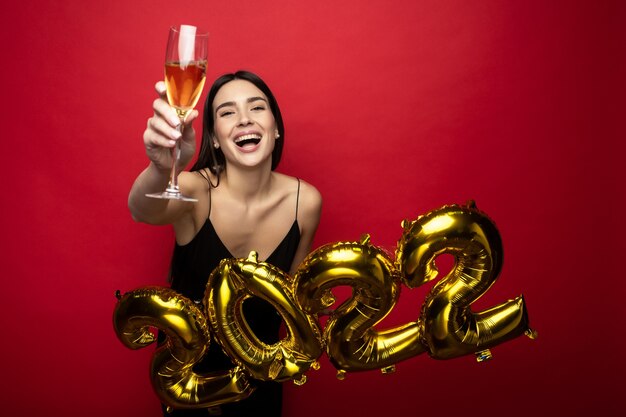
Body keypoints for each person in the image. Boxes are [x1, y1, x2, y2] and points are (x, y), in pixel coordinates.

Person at [128, 70, 322, 416]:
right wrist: (160, 167)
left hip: (261, 381)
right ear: (215, 138)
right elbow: (141, 209)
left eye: (257, 108)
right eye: (227, 112)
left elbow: (295, 306)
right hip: (188, 386)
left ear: (276, 128)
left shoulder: (304, 202)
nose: (244, 119)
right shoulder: (195, 190)